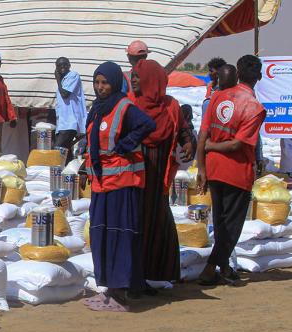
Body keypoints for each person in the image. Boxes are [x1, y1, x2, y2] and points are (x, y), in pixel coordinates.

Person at [82, 62, 156, 312]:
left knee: (119, 235)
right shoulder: (98, 108)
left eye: (105, 82)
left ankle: (121, 293)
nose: (100, 87)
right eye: (97, 82)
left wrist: (126, 144)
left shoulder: (124, 106)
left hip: (121, 182)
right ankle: (110, 290)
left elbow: (147, 125)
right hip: (102, 183)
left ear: (115, 83)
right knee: (102, 234)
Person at [195, 61, 266, 286]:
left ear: (238, 73)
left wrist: (202, 167)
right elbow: (237, 145)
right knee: (232, 226)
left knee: (220, 221)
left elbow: (203, 134)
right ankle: (209, 269)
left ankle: (224, 268)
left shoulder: (218, 97)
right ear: (259, 77)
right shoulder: (255, 107)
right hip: (236, 172)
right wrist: (212, 148)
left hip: (214, 169)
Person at [130, 59, 191, 288]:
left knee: (159, 221)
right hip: (136, 178)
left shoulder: (171, 107)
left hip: (160, 179)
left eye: (138, 77)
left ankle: (158, 273)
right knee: (137, 223)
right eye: (133, 77)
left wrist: (187, 144)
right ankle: (137, 277)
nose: (134, 81)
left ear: (152, 80)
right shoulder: (130, 105)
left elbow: (184, 130)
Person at [53, 57, 87, 158]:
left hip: (70, 121)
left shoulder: (73, 75)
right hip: (63, 123)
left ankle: (57, 173)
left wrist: (57, 79)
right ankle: (67, 172)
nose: (62, 67)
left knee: (58, 150)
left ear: (69, 65)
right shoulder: (63, 80)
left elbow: (65, 94)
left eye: (65, 64)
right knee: (65, 152)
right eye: (59, 65)